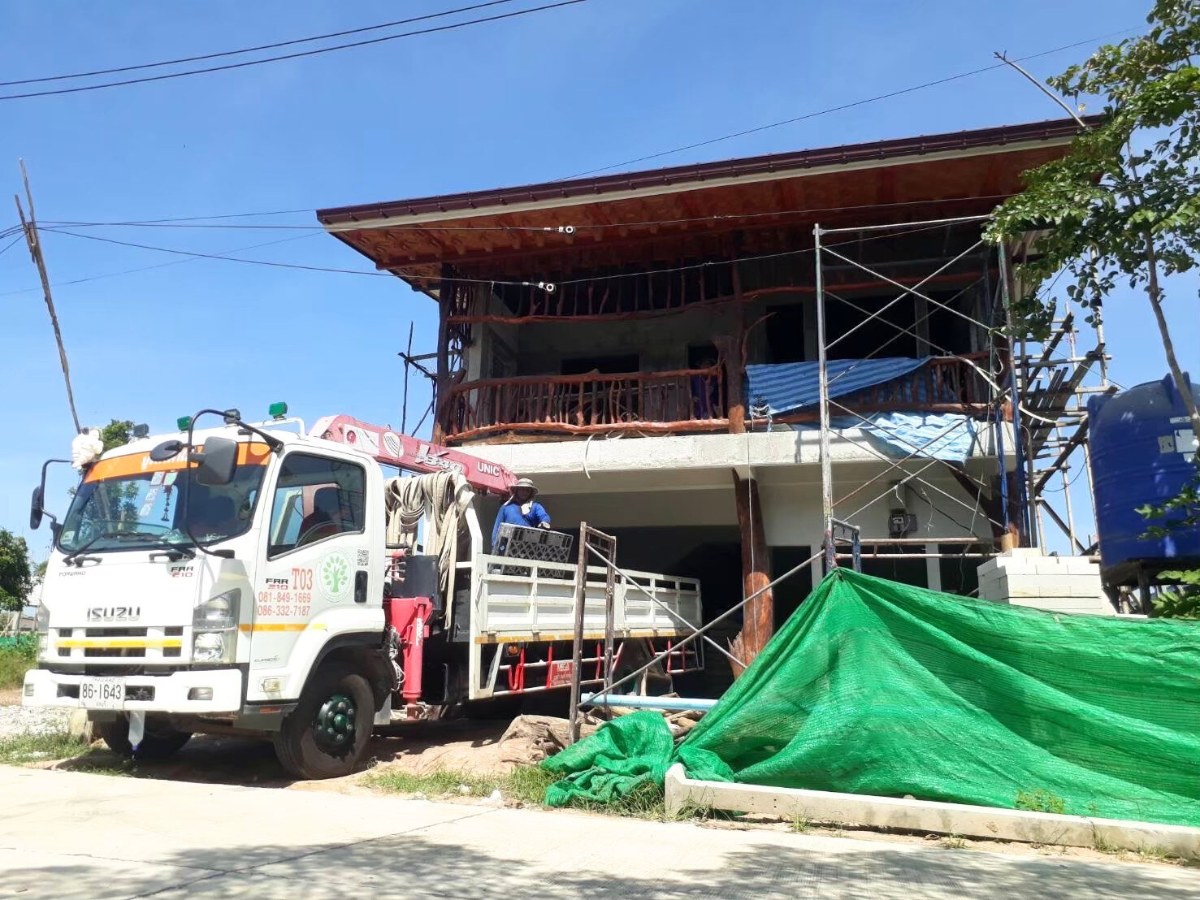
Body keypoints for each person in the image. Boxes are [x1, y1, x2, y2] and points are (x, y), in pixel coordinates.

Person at [491, 477, 551, 548]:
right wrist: (495, 545)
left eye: (527, 490)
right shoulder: (506, 507)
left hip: (527, 545)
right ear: (517, 491)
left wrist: (544, 522)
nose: (524, 492)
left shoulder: (535, 507)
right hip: (507, 545)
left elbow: (544, 516)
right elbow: (497, 527)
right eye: (522, 489)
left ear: (531, 493)